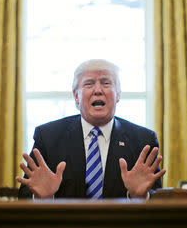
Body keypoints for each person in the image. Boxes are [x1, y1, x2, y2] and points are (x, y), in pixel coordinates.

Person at [16, 59, 166, 199]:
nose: (98, 90)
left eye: (106, 83)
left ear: (118, 94)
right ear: (76, 96)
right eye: (88, 84)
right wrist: (44, 198)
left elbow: (158, 200)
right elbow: (25, 196)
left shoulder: (143, 140)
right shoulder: (48, 137)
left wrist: (139, 196)